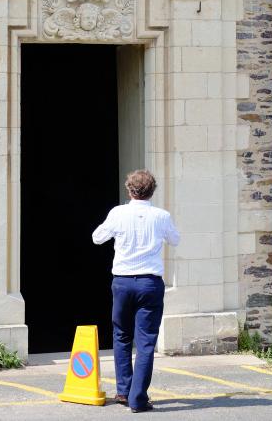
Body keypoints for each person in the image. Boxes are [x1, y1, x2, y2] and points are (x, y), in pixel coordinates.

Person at [92, 169, 180, 413]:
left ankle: (123, 390)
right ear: (152, 191)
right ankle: (138, 398)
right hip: (149, 283)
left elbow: (97, 238)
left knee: (121, 336)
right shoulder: (161, 216)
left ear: (129, 190)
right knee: (145, 342)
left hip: (122, 281)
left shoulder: (118, 213)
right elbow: (175, 240)